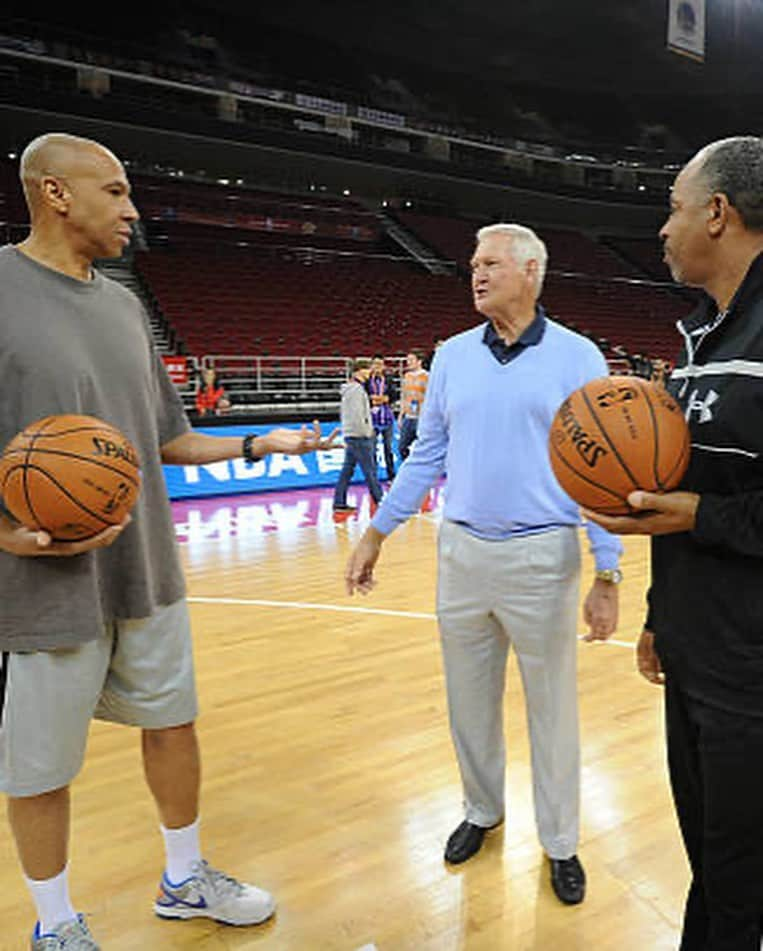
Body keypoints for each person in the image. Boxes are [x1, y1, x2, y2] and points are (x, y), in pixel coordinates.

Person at [0, 132, 339, 951]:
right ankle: (56, 924)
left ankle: (184, 877)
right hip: (40, 583)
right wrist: (9, 534)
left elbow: (167, 439)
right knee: (40, 767)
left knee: (173, 722)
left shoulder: (122, 303)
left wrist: (261, 444)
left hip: (147, 567)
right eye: (114, 192)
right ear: (54, 193)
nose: (132, 208)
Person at [344, 223, 622, 906]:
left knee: (551, 709)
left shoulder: (576, 356)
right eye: (473, 263)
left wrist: (606, 571)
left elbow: (600, 468)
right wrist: (377, 531)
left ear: (531, 271)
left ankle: (559, 841)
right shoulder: (450, 355)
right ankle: (481, 810)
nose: (476, 273)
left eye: (491, 263)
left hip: (541, 554)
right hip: (461, 550)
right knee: (468, 702)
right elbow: (427, 453)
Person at [584, 136, 763, 950]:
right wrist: (660, 608)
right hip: (696, 652)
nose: (661, 228)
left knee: (731, 882)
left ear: (718, 214)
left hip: (753, 671)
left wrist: (702, 516)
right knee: (713, 863)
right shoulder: (694, 342)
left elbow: (700, 505)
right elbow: (681, 493)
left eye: (673, 207)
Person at [333, 358, 384, 521]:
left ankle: (339, 502)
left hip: (351, 434)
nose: (370, 373)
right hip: (359, 435)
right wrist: (367, 432)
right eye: (367, 369)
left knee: (347, 471)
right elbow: (357, 416)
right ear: (359, 371)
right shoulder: (356, 390)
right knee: (370, 471)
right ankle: (381, 501)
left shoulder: (351, 389)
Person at [365, 354, 397, 482]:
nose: (377, 367)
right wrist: (372, 399)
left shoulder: (389, 379)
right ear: (371, 366)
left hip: (387, 418)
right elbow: (364, 397)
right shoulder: (366, 381)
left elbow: (395, 395)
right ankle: (373, 477)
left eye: (380, 364)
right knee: (372, 449)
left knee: (388, 449)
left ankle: (391, 476)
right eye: (375, 364)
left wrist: (385, 399)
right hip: (372, 419)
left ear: (384, 366)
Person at [397, 349, 428, 462]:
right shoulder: (407, 376)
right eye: (407, 360)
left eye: (411, 360)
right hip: (408, 417)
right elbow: (404, 396)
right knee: (402, 447)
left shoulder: (427, 376)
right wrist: (401, 415)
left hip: (422, 417)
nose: (408, 362)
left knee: (424, 448)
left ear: (419, 361)